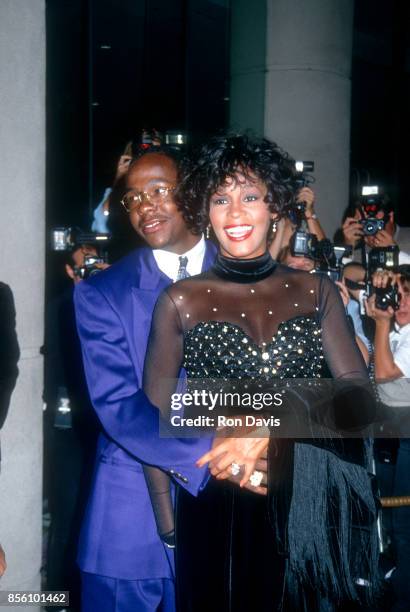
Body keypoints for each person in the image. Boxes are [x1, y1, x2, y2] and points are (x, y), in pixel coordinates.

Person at [142, 135, 379, 611]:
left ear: (275, 206)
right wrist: (170, 526)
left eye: (250, 196)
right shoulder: (178, 300)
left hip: (307, 502)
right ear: (203, 210)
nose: (235, 213)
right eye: (220, 198)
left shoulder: (317, 291)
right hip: (213, 502)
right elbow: (154, 418)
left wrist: (267, 425)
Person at [74, 145, 221, 612]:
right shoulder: (102, 292)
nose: (144, 207)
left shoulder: (249, 274)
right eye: (133, 198)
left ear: (193, 193)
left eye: (159, 190)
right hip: (129, 513)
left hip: (232, 511)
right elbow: (117, 404)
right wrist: (215, 454)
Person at [43, 244, 106, 610]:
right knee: (67, 516)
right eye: (86, 265)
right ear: (70, 270)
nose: (93, 269)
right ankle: (55, 599)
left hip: (101, 429)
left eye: (98, 262)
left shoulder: (111, 301)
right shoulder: (62, 306)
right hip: (68, 429)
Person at [366, 265, 410, 612]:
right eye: (399, 294)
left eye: (409, 294)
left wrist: (380, 324)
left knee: (406, 529)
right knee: (394, 525)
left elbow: (383, 374)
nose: (401, 302)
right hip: (393, 439)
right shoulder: (399, 334)